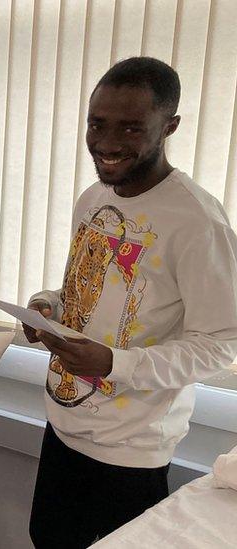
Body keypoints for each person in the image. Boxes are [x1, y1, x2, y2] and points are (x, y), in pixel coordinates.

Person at [23, 57, 237, 548]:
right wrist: (48, 307)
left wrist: (113, 363)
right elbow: (88, 293)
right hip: (63, 424)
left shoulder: (198, 222)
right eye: (97, 124)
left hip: (130, 451)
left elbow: (219, 344)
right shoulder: (95, 196)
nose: (107, 141)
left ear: (170, 126)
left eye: (130, 127)